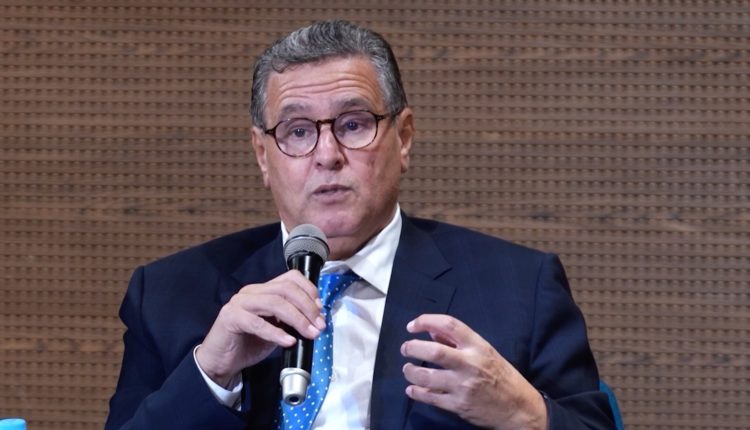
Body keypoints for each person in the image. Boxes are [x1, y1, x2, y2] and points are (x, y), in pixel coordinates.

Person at [105, 20, 615, 430]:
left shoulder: (519, 289)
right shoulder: (170, 296)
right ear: (262, 155)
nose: (327, 154)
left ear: (404, 138)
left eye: (353, 124)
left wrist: (524, 415)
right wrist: (211, 374)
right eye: (297, 131)